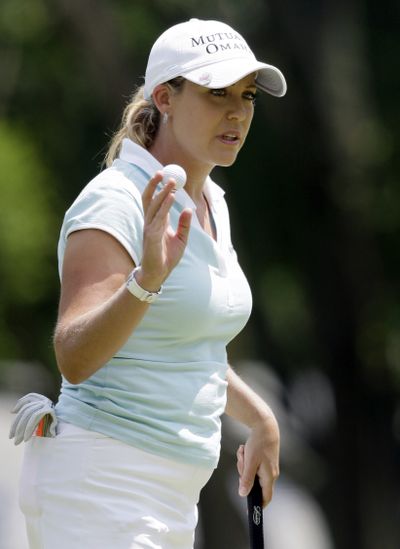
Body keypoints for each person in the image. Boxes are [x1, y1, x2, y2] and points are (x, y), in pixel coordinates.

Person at [13, 18, 286, 549]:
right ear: (164, 96)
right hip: (100, 483)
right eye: (216, 94)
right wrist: (147, 280)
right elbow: (73, 353)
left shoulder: (212, 203)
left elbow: (181, 346)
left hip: (170, 495)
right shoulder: (114, 200)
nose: (237, 111)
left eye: (247, 95)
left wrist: (261, 418)